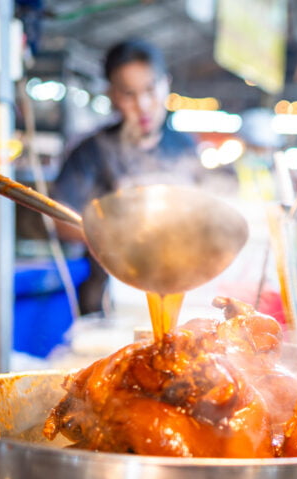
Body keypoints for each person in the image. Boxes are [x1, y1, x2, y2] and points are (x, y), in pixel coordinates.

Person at [52, 38, 200, 315]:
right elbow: (60, 220)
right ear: (112, 95)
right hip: (108, 299)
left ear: (166, 83)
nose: (143, 104)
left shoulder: (184, 146)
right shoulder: (92, 151)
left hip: (180, 293)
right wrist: (115, 233)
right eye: (129, 94)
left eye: (150, 89)